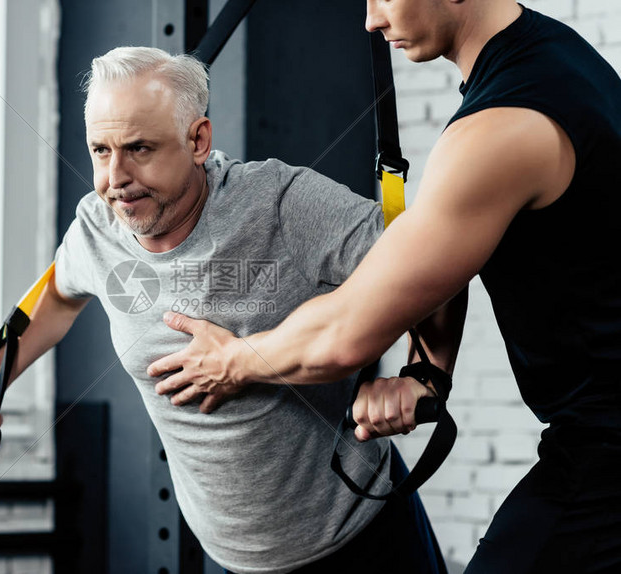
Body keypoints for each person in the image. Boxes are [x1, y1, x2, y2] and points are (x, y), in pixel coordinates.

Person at [0, 46, 449, 573]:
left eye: (139, 149)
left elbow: (432, 260)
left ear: (198, 140)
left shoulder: (278, 203)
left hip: (362, 537)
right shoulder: (97, 227)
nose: (115, 178)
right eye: (100, 151)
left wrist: (420, 374)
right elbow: (57, 297)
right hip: (233, 558)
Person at [148, 1, 621, 572]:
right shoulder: (558, 60)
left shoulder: (502, 127)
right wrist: (426, 373)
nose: (370, 20)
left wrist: (235, 361)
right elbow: (436, 268)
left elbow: (348, 332)